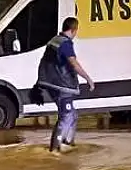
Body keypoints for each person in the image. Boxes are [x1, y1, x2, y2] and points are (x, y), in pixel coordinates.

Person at [35, 17, 93, 152]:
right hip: (62, 85)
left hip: (50, 83)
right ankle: (55, 150)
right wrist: (88, 79)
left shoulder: (54, 40)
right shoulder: (65, 44)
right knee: (66, 115)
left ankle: (68, 143)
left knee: (72, 115)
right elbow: (74, 64)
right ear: (74, 30)